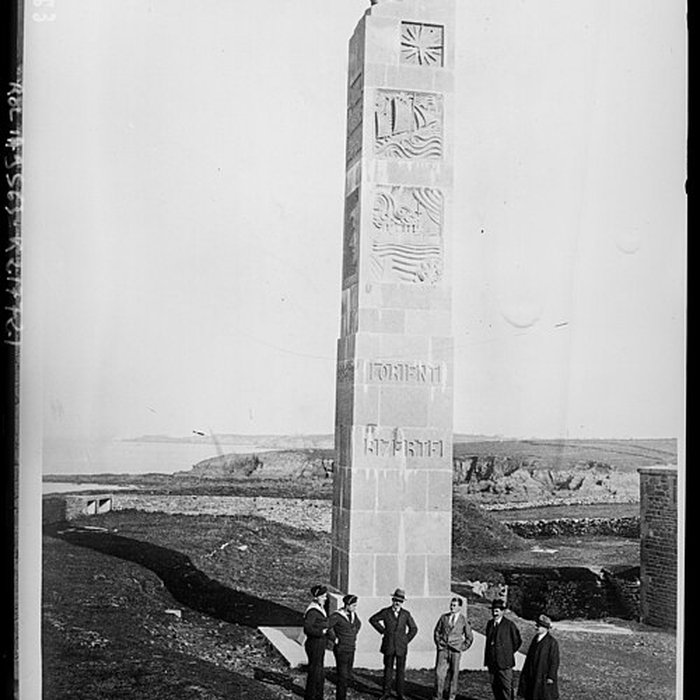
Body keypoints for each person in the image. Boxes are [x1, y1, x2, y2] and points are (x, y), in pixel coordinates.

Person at [369, 588, 418, 700]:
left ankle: (400, 694)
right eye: (395, 600)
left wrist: (406, 639)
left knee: (400, 671)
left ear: (402, 603)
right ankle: (386, 693)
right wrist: (383, 631)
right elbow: (373, 619)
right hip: (389, 645)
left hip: (401, 646)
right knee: (388, 669)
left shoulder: (406, 614)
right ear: (392, 600)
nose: (397, 603)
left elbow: (414, 628)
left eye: (400, 601)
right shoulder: (386, 612)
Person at [433, 597, 474, 700]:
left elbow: (469, 637)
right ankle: (437, 696)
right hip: (443, 650)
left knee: (454, 675)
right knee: (439, 674)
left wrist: (462, 647)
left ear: (460, 607)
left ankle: (451, 697)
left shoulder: (463, 620)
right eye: (451, 605)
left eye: (454, 605)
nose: (452, 607)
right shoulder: (444, 617)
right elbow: (437, 631)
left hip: (455, 651)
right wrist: (439, 644)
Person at [483, 599, 522, 700]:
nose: (495, 613)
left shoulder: (509, 625)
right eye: (493, 611)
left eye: (497, 611)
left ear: (502, 611)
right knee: (495, 687)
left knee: (507, 688)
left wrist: (507, 652)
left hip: (505, 663)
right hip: (492, 663)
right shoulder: (490, 624)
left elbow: (517, 642)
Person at [326, 594, 362, 700]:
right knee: (342, 676)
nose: (355, 608)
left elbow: (359, 624)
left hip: (351, 648)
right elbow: (327, 626)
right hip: (341, 649)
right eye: (353, 605)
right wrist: (334, 638)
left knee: (348, 675)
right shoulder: (337, 616)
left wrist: (353, 633)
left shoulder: (353, 615)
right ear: (347, 605)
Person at [517, 615, 559, 700]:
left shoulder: (552, 642)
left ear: (545, 627)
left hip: (543, 677)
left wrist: (551, 676)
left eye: (538, 626)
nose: (535, 627)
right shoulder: (535, 639)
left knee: (542, 696)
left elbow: (554, 661)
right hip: (532, 674)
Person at [303, 584, 329, 700]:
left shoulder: (320, 607)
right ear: (316, 597)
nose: (325, 598)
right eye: (323, 596)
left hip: (319, 643)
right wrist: (321, 632)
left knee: (319, 671)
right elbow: (307, 629)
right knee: (314, 671)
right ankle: (311, 696)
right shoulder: (312, 611)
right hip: (314, 644)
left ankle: (318, 695)